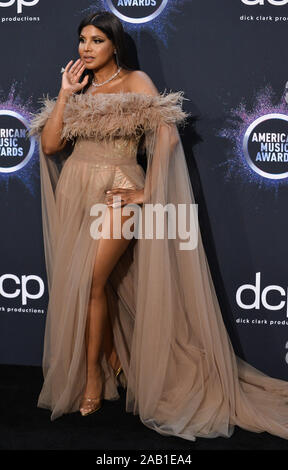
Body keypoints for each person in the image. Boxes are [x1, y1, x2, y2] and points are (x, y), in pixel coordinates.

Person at [28, 10, 288, 442]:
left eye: (97, 41)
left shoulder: (137, 82)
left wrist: (147, 193)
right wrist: (63, 94)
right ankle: (116, 364)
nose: (86, 48)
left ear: (115, 45)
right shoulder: (78, 87)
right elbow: (53, 145)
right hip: (76, 190)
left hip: (117, 190)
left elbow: (166, 139)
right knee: (96, 285)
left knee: (92, 281)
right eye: (82, 40)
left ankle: (93, 378)